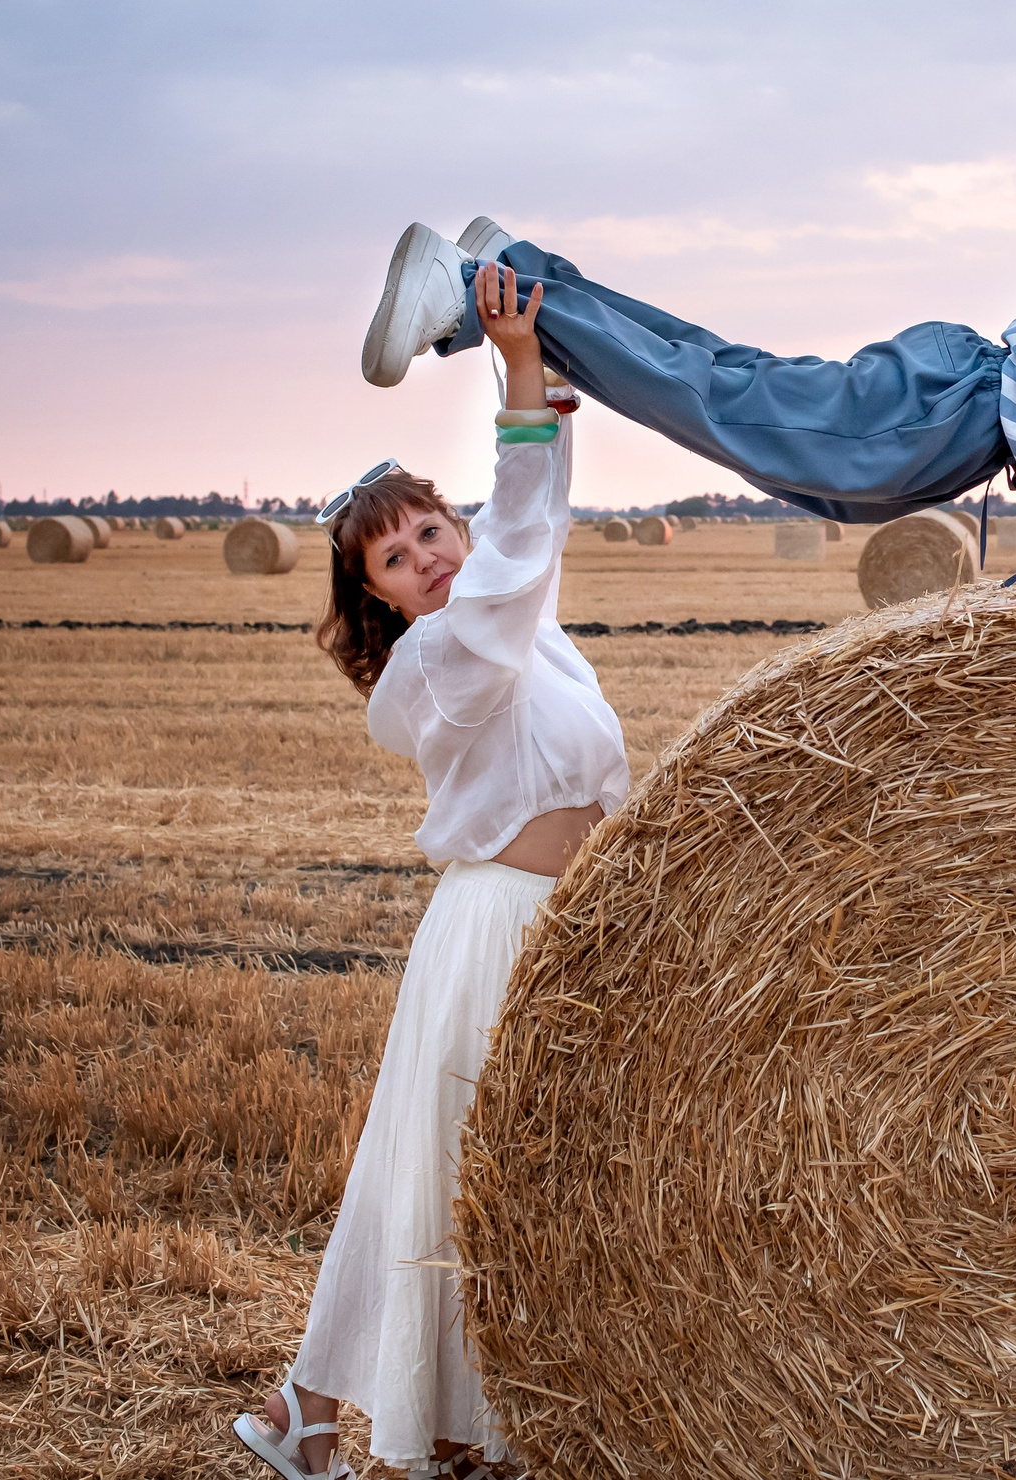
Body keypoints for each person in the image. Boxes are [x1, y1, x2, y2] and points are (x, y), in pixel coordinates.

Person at [234, 261, 627, 1480]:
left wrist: (538, 414)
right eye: (397, 561)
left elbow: (528, 540)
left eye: (428, 531)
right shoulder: (442, 663)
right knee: (443, 1190)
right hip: (494, 935)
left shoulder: (522, 632)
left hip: (560, 930)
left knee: (496, 1189)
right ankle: (344, 1417)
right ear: (380, 602)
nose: (426, 558)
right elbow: (518, 549)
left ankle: (404, 1425)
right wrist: (516, 371)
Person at [359, 92, 1016, 587]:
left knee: (734, 391)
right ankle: (472, 286)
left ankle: (522, 269)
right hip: (954, 407)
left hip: (950, 439)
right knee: (724, 405)